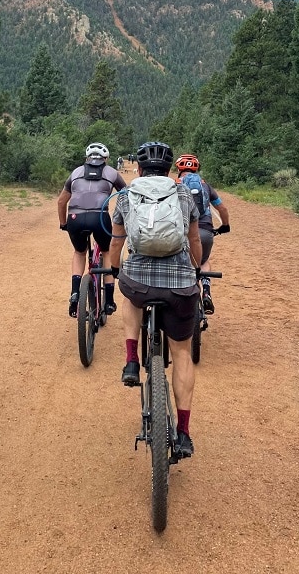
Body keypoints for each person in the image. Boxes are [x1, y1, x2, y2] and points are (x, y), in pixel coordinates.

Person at [109, 141, 203, 458]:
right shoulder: (184, 195)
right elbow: (193, 241)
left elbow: (117, 242)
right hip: (179, 286)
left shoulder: (126, 195)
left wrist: (114, 269)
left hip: (139, 282)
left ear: (138, 169)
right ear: (170, 170)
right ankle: (184, 433)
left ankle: (132, 360)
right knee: (182, 353)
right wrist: (197, 270)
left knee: (129, 294)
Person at [57, 143, 126, 318]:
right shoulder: (111, 172)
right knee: (107, 251)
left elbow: (61, 202)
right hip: (99, 218)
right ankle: (109, 301)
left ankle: (74, 294)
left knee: (80, 253)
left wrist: (63, 223)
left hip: (75, 218)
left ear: (87, 158)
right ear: (106, 159)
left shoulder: (76, 172)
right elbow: (126, 196)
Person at [174, 154, 230, 315]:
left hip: (182, 233)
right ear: (197, 168)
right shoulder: (206, 186)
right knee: (203, 260)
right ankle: (206, 290)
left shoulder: (174, 184)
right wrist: (225, 226)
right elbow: (222, 209)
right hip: (205, 231)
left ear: (178, 169)